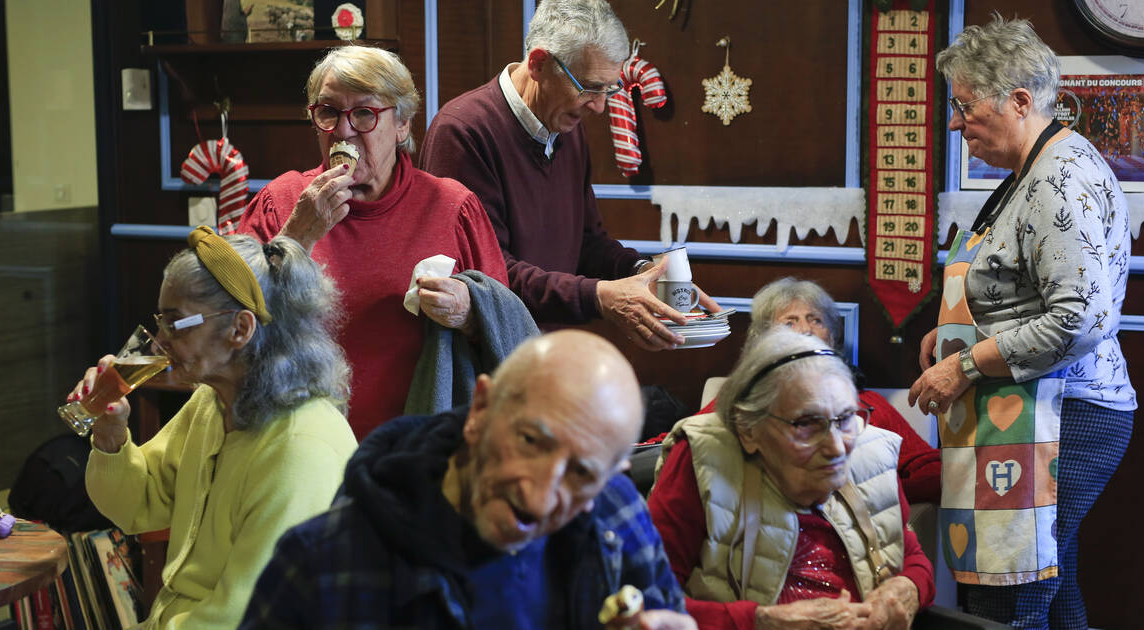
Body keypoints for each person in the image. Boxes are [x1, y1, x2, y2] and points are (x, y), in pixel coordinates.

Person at [909, 16, 1136, 627]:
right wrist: (954, 330)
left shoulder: (1060, 178)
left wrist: (963, 363)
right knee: (1051, 591)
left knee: (1014, 596)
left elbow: (1080, 318)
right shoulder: (1028, 173)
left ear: (1018, 100)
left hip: (1064, 414)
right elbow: (1023, 293)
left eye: (964, 107)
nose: (955, 124)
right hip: (1034, 411)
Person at [240, 330, 697, 629]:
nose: (539, 500)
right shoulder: (324, 562)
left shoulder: (616, 515)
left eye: (581, 474)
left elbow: (666, 613)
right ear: (480, 409)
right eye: (531, 441)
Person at [72, 227, 358, 629]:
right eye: (160, 321)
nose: (159, 342)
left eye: (176, 324)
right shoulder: (212, 403)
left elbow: (247, 616)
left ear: (240, 329)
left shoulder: (301, 448)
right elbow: (138, 504)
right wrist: (110, 432)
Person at [237, 45, 508, 438]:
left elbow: (507, 332)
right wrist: (297, 236)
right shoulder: (281, 202)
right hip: (299, 445)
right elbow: (233, 324)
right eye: (328, 111)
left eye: (364, 113)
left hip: (419, 449)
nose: (343, 131)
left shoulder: (453, 207)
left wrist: (470, 313)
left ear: (401, 126)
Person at [419, 0, 717, 351]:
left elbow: (587, 242)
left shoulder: (565, 126)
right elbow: (490, 277)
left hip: (546, 353)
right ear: (539, 64)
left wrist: (643, 273)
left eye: (609, 89)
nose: (599, 106)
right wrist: (600, 297)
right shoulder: (463, 132)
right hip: (488, 363)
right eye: (590, 87)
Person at [648, 328, 934, 629]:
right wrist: (759, 621)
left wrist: (910, 587)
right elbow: (644, 596)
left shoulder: (869, 453)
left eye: (846, 418)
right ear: (748, 430)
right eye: (807, 424)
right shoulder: (703, 458)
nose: (837, 447)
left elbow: (911, 557)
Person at [698, 277, 941, 505]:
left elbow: (929, 469)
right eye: (789, 322)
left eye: (816, 320)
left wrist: (877, 490)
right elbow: (687, 444)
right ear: (764, 341)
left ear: (832, 338)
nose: (806, 330)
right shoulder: (746, 399)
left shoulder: (866, 403)